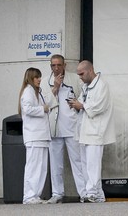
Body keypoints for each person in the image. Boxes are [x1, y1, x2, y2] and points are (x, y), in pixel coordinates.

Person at [67, 59, 116, 203]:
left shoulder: (102, 85)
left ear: (90, 70)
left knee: (93, 164)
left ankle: (92, 193)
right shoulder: (85, 86)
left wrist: (81, 105)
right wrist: (76, 105)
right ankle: (98, 195)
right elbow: (84, 105)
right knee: (86, 164)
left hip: (96, 131)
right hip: (84, 130)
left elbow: (99, 107)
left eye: (82, 74)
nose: (80, 77)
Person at [40, 54, 86, 204]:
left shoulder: (74, 79)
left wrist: (78, 105)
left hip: (72, 127)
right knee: (55, 163)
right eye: (53, 65)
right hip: (54, 128)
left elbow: (83, 97)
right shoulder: (45, 82)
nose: (56, 68)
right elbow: (44, 103)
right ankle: (57, 193)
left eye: (59, 65)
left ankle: (84, 192)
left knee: (78, 161)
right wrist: (56, 87)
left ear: (64, 65)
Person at [18, 67, 51, 204]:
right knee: (34, 166)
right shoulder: (28, 92)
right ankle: (29, 195)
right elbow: (27, 109)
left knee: (41, 167)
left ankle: (35, 194)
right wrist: (42, 109)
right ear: (30, 78)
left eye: (40, 77)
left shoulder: (37, 92)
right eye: (37, 77)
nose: (39, 79)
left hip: (41, 135)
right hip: (34, 135)